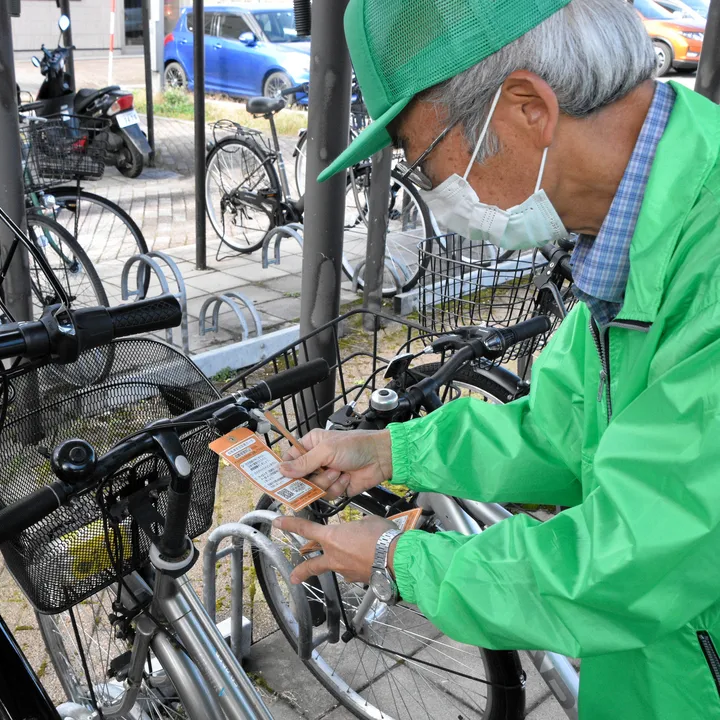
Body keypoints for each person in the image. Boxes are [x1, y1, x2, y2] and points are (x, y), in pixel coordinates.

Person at [277, 0, 720, 717]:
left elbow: (632, 559)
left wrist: (398, 557)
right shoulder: (638, 223)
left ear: (526, 109)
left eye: (424, 161)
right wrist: (389, 450)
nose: (434, 195)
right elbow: (558, 429)